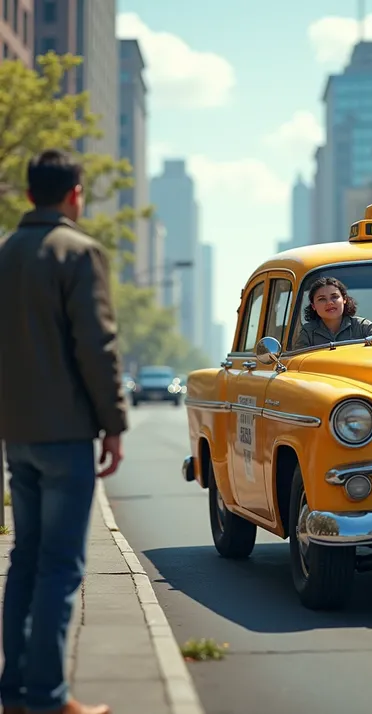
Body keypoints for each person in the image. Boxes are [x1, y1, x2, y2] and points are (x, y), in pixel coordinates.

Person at [0, 150, 128, 714]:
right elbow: (96, 348)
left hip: (16, 432)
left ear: (30, 195)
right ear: (76, 192)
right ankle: (49, 699)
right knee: (60, 566)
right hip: (66, 432)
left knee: (24, 558)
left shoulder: (4, 253)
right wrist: (114, 424)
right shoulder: (79, 252)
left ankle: (15, 691)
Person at [294, 276, 372, 349]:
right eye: (322, 299)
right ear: (313, 306)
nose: (329, 303)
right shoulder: (307, 333)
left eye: (334, 297)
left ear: (344, 299)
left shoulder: (363, 327)